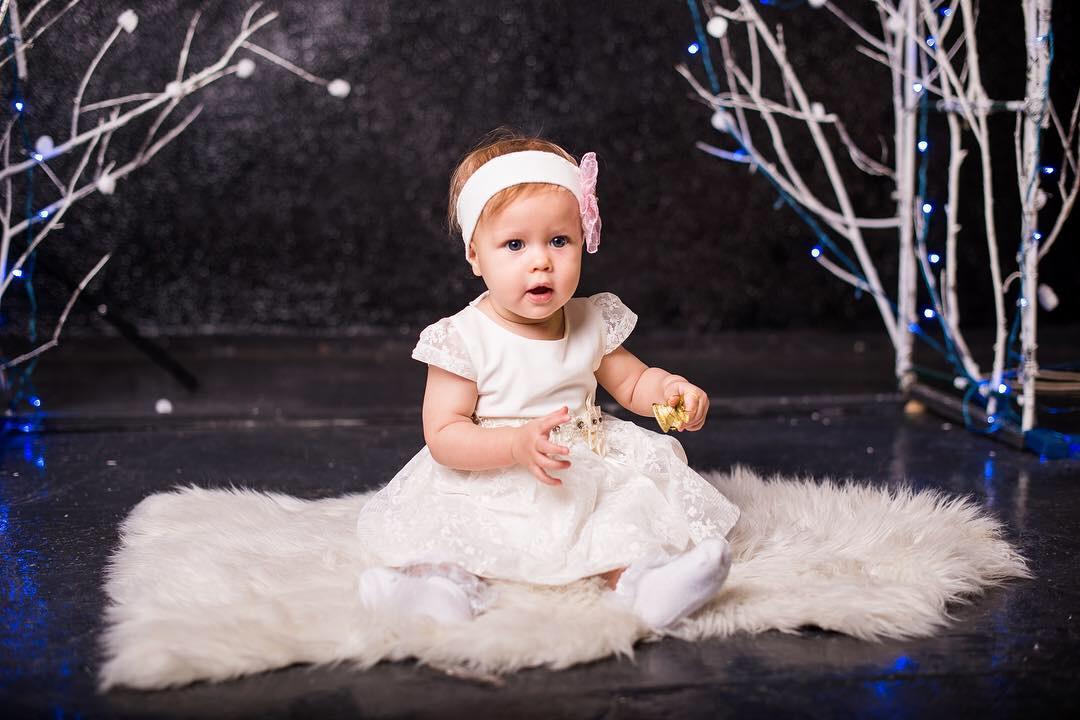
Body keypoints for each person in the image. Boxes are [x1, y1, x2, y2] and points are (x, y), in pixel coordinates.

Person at [356, 130, 740, 631]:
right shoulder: (463, 337)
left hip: (585, 462)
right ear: (476, 256)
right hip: (492, 467)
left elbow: (633, 383)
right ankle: (440, 589)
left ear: (582, 241)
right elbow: (445, 435)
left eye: (559, 241)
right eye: (514, 244)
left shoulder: (590, 319)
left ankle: (645, 583)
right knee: (463, 530)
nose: (541, 260)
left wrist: (669, 391)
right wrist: (513, 446)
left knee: (622, 516)